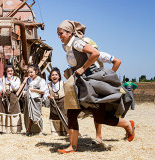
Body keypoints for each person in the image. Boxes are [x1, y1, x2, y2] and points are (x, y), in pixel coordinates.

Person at [56, 20, 135, 153]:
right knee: (72, 112)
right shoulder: (68, 46)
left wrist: (83, 68)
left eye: (61, 33)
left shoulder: (77, 42)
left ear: (69, 33)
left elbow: (95, 54)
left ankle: (127, 125)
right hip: (81, 82)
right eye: (58, 34)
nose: (59, 36)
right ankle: (72, 147)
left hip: (91, 82)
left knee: (100, 118)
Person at [0, 63, 22, 133]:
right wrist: (2, 90)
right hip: (4, 98)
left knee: (13, 112)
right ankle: (4, 130)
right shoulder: (2, 79)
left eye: (11, 70)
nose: (10, 72)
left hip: (13, 98)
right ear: (6, 71)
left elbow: (15, 88)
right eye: (8, 71)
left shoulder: (16, 79)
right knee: (4, 112)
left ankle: (14, 130)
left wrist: (10, 80)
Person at [23, 64, 49, 136]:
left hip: (36, 100)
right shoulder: (28, 80)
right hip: (29, 100)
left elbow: (43, 91)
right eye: (29, 72)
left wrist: (34, 90)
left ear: (36, 71)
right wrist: (24, 92)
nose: (30, 74)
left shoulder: (41, 80)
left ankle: (40, 131)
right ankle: (28, 130)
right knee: (28, 115)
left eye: (31, 72)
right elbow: (26, 89)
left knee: (37, 115)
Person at [47, 67, 68, 136]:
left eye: (56, 75)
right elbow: (45, 94)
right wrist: (49, 96)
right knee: (54, 116)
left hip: (62, 102)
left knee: (64, 116)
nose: (54, 76)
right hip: (53, 103)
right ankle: (56, 132)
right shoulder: (48, 85)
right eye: (52, 75)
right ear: (50, 77)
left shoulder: (63, 83)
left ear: (59, 76)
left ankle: (66, 131)